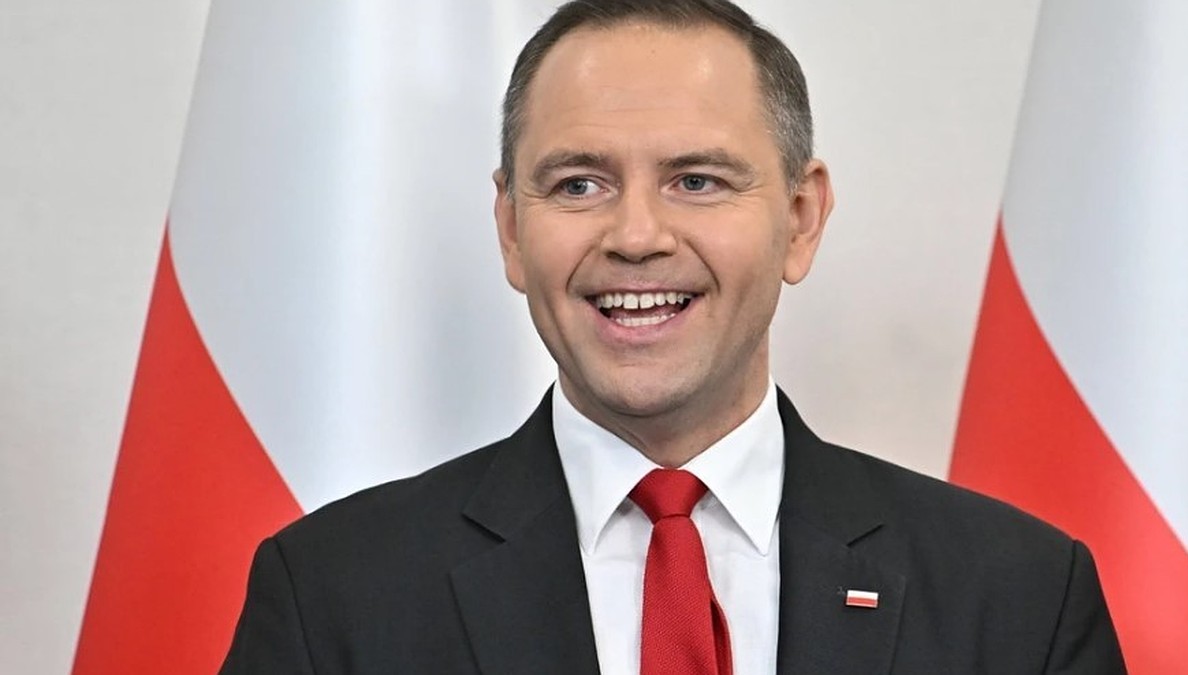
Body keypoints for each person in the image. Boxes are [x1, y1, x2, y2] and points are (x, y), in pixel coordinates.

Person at [220, 1, 1126, 672]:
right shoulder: (333, 594)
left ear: (801, 219)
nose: (636, 235)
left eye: (697, 180)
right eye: (578, 184)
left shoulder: (1019, 596)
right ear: (511, 229)